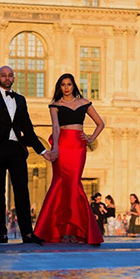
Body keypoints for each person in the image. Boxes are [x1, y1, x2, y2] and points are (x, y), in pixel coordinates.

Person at [0, 65, 57, 245]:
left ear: (14, 78)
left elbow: (27, 128)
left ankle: (27, 233)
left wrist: (42, 151)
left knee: (22, 191)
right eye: (3, 75)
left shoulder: (20, 100)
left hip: (16, 150)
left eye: (9, 75)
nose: (7, 78)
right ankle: (1, 234)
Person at [33, 74, 105, 245]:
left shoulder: (84, 103)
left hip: (78, 146)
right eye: (63, 85)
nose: (66, 87)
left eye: (69, 84)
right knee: (59, 183)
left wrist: (91, 138)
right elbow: (56, 127)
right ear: (60, 87)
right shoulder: (55, 105)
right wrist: (55, 147)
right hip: (63, 145)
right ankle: (57, 231)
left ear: (73, 86)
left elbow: (100, 123)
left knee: (74, 184)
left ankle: (77, 231)